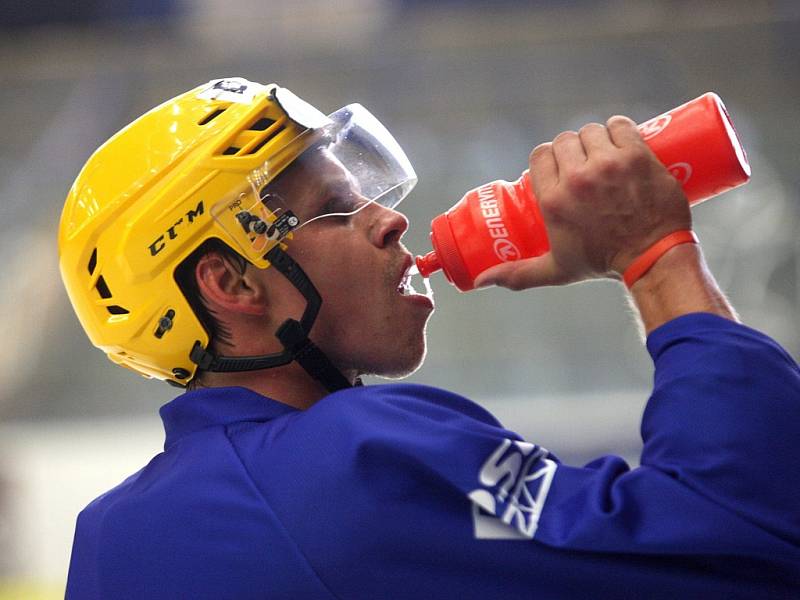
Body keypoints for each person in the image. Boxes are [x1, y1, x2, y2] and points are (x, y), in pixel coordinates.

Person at [60, 78, 800, 599]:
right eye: (336, 209)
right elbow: (743, 537)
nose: (388, 221)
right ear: (231, 284)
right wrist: (656, 258)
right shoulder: (360, 459)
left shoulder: (109, 537)